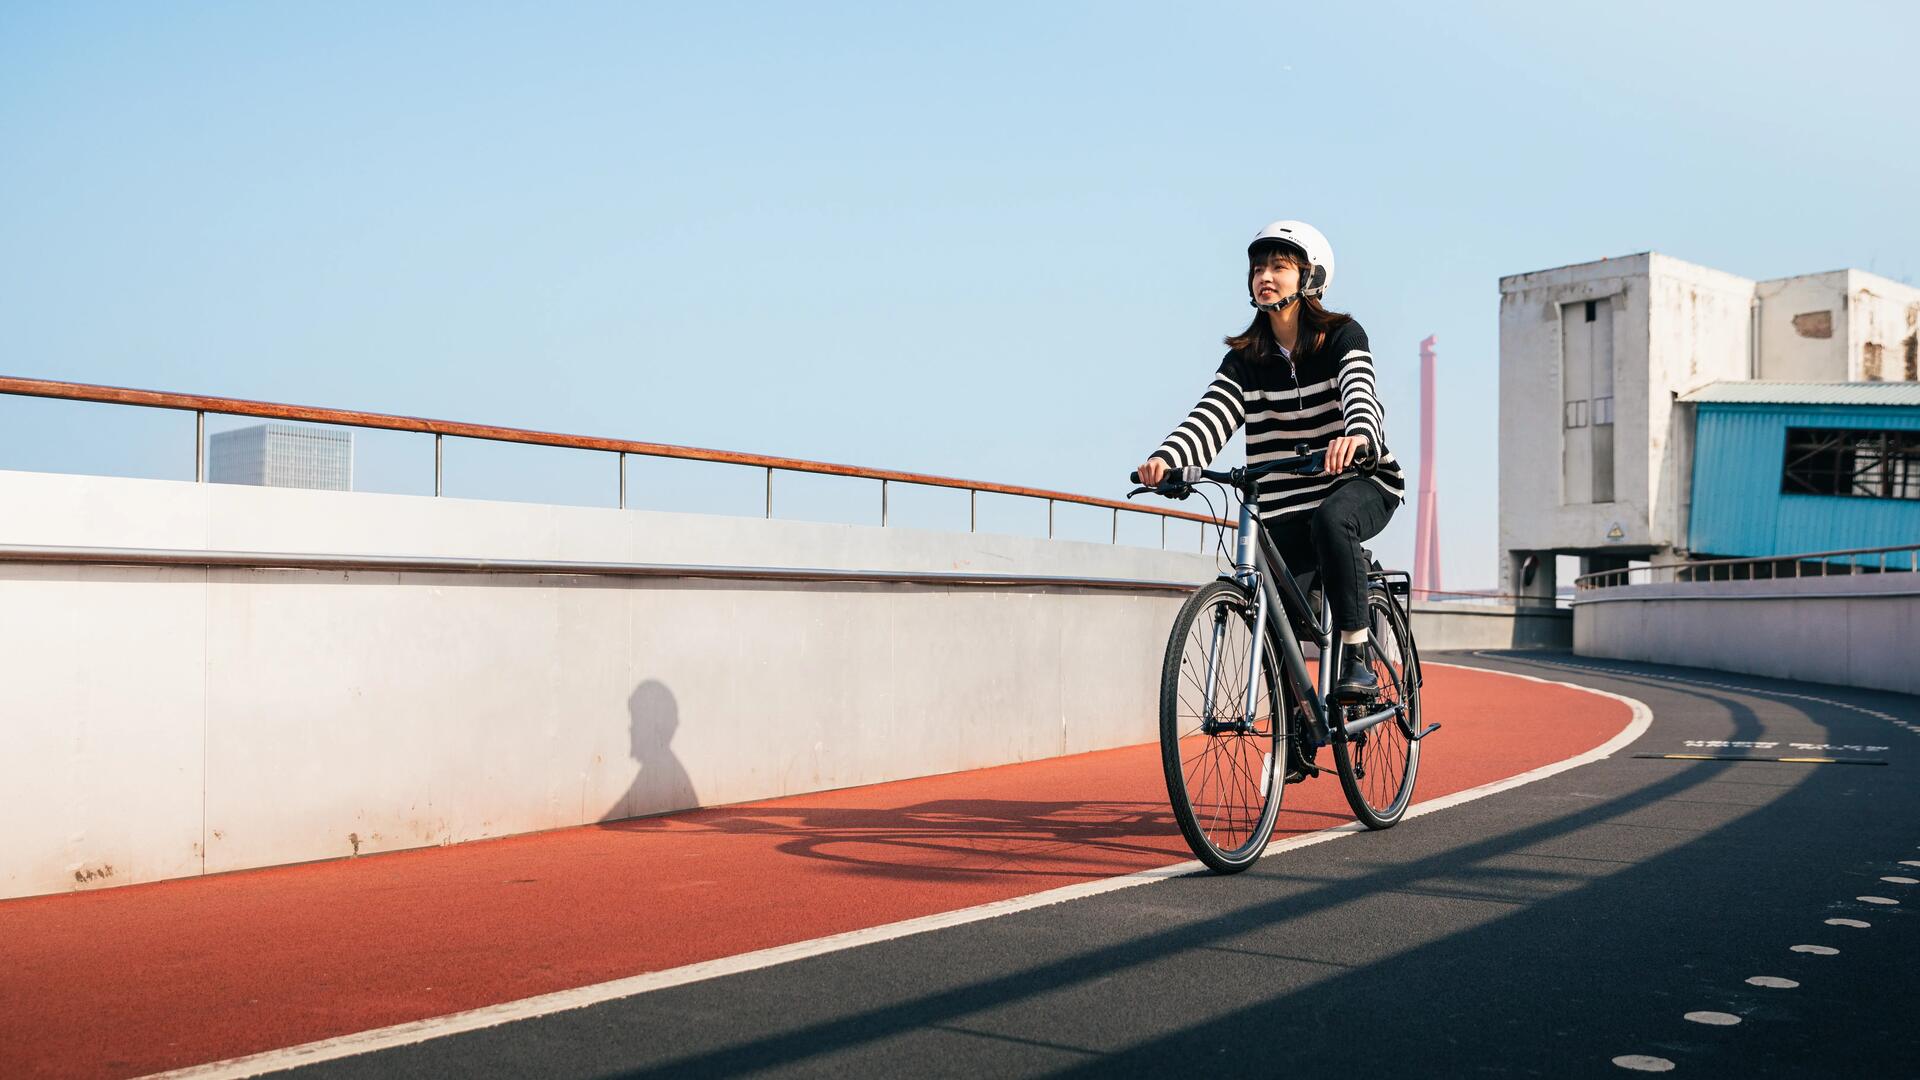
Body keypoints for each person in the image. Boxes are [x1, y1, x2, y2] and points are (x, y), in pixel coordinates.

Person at [1136, 220, 1406, 706]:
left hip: (1361, 483)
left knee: (1334, 519)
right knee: (1281, 606)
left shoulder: (1341, 335)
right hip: (1285, 507)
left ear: (1309, 277)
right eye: (1259, 267)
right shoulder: (1246, 359)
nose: (1265, 275)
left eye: (1279, 266)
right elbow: (1209, 417)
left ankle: (1356, 656)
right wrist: (1166, 459)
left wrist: (1358, 436)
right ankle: (1296, 726)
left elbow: (1361, 396)